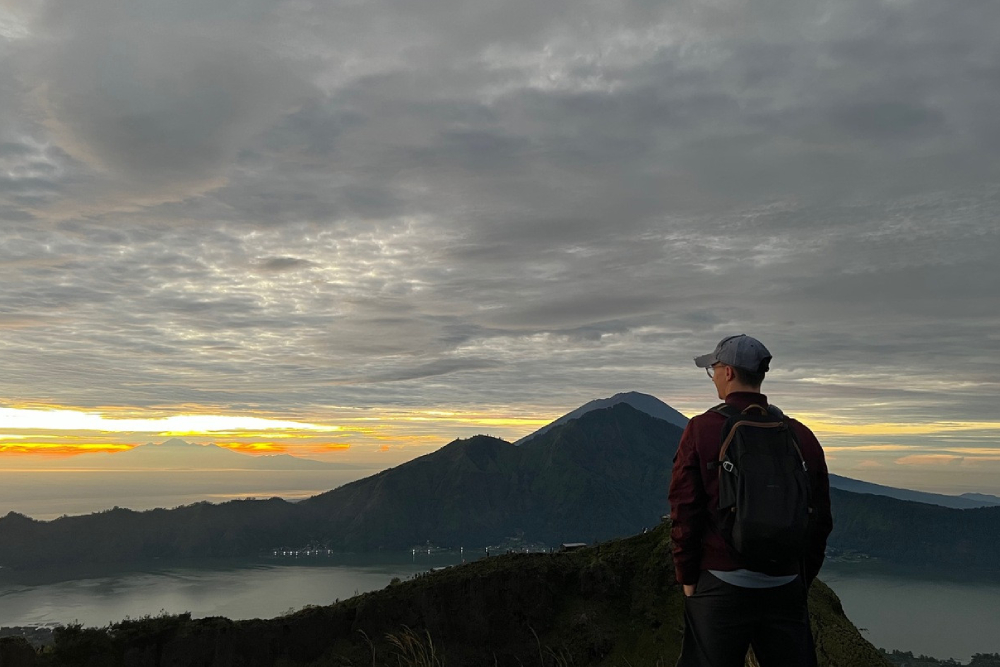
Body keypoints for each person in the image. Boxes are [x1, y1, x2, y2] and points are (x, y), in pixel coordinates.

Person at [669, 334, 833, 667]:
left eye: (713, 368)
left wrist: (687, 578)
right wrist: (799, 578)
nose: (713, 375)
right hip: (785, 586)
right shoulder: (800, 435)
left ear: (728, 372)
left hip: (721, 584)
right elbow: (820, 519)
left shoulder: (702, 430)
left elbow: (685, 510)